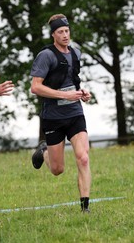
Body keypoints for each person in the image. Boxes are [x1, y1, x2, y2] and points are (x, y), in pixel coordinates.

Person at [30, 14, 92, 213]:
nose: (65, 35)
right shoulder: (46, 56)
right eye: (60, 32)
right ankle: (44, 151)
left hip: (75, 113)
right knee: (57, 170)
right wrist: (62, 94)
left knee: (83, 158)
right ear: (53, 35)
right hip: (53, 117)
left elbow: (72, 81)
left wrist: (82, 93)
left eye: (67, 31)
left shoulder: (76, 53)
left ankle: (85, 207)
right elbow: (35, 87)